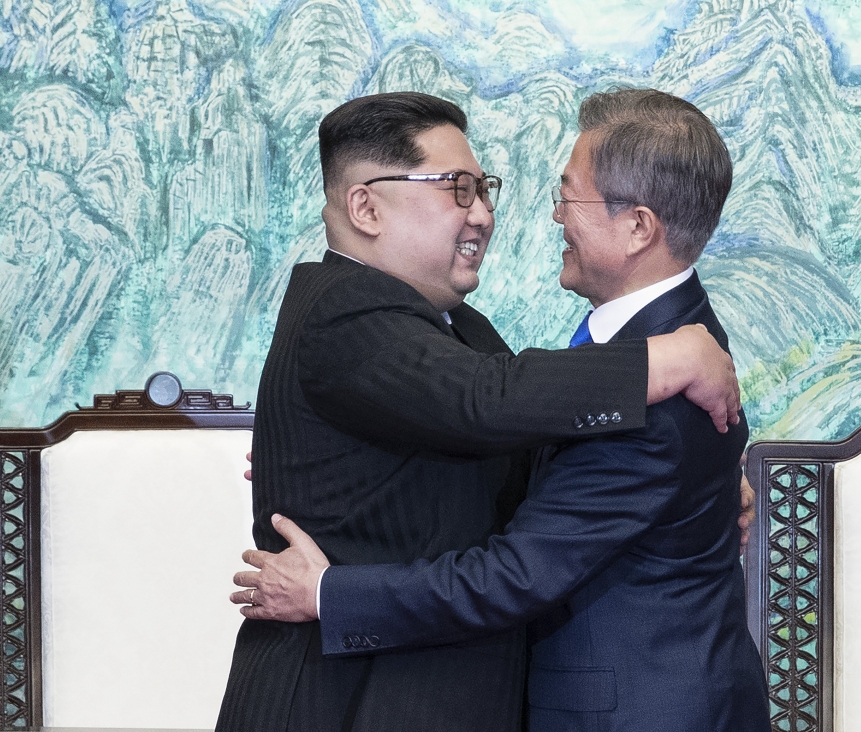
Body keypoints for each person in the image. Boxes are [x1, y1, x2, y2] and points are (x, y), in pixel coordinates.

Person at [235, 88, 770, 731]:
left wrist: (704, 490)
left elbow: (502, 430)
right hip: (349, 700)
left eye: (482, 189)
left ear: (638, 227)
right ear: (365, 206)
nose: (486, 215)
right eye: (457, 189)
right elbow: (484, 399)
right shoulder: (347, 309)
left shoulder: (464, 328)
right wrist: (669, 362)